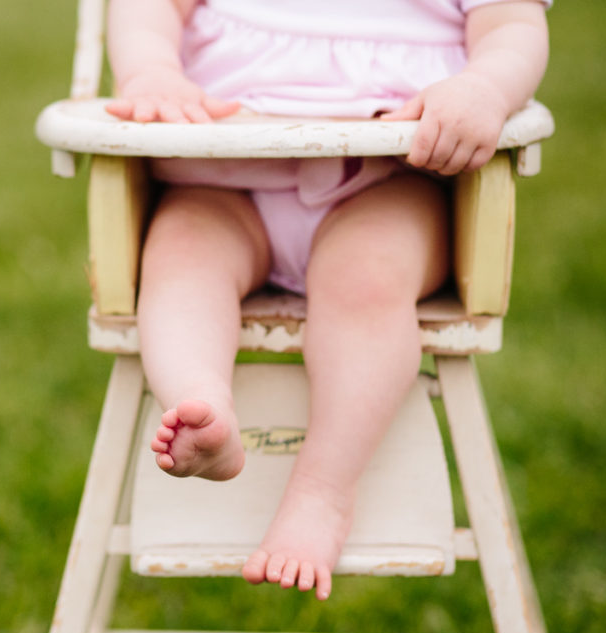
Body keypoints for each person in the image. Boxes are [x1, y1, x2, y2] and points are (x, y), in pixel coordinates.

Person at [105, 0, 550, 600]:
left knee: (365, 278)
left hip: (390, 180)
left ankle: (323, 490)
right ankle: (199, 400)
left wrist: (485, 87)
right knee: (181, 257)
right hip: (220, 177)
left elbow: (513, 24)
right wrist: (150, 70)